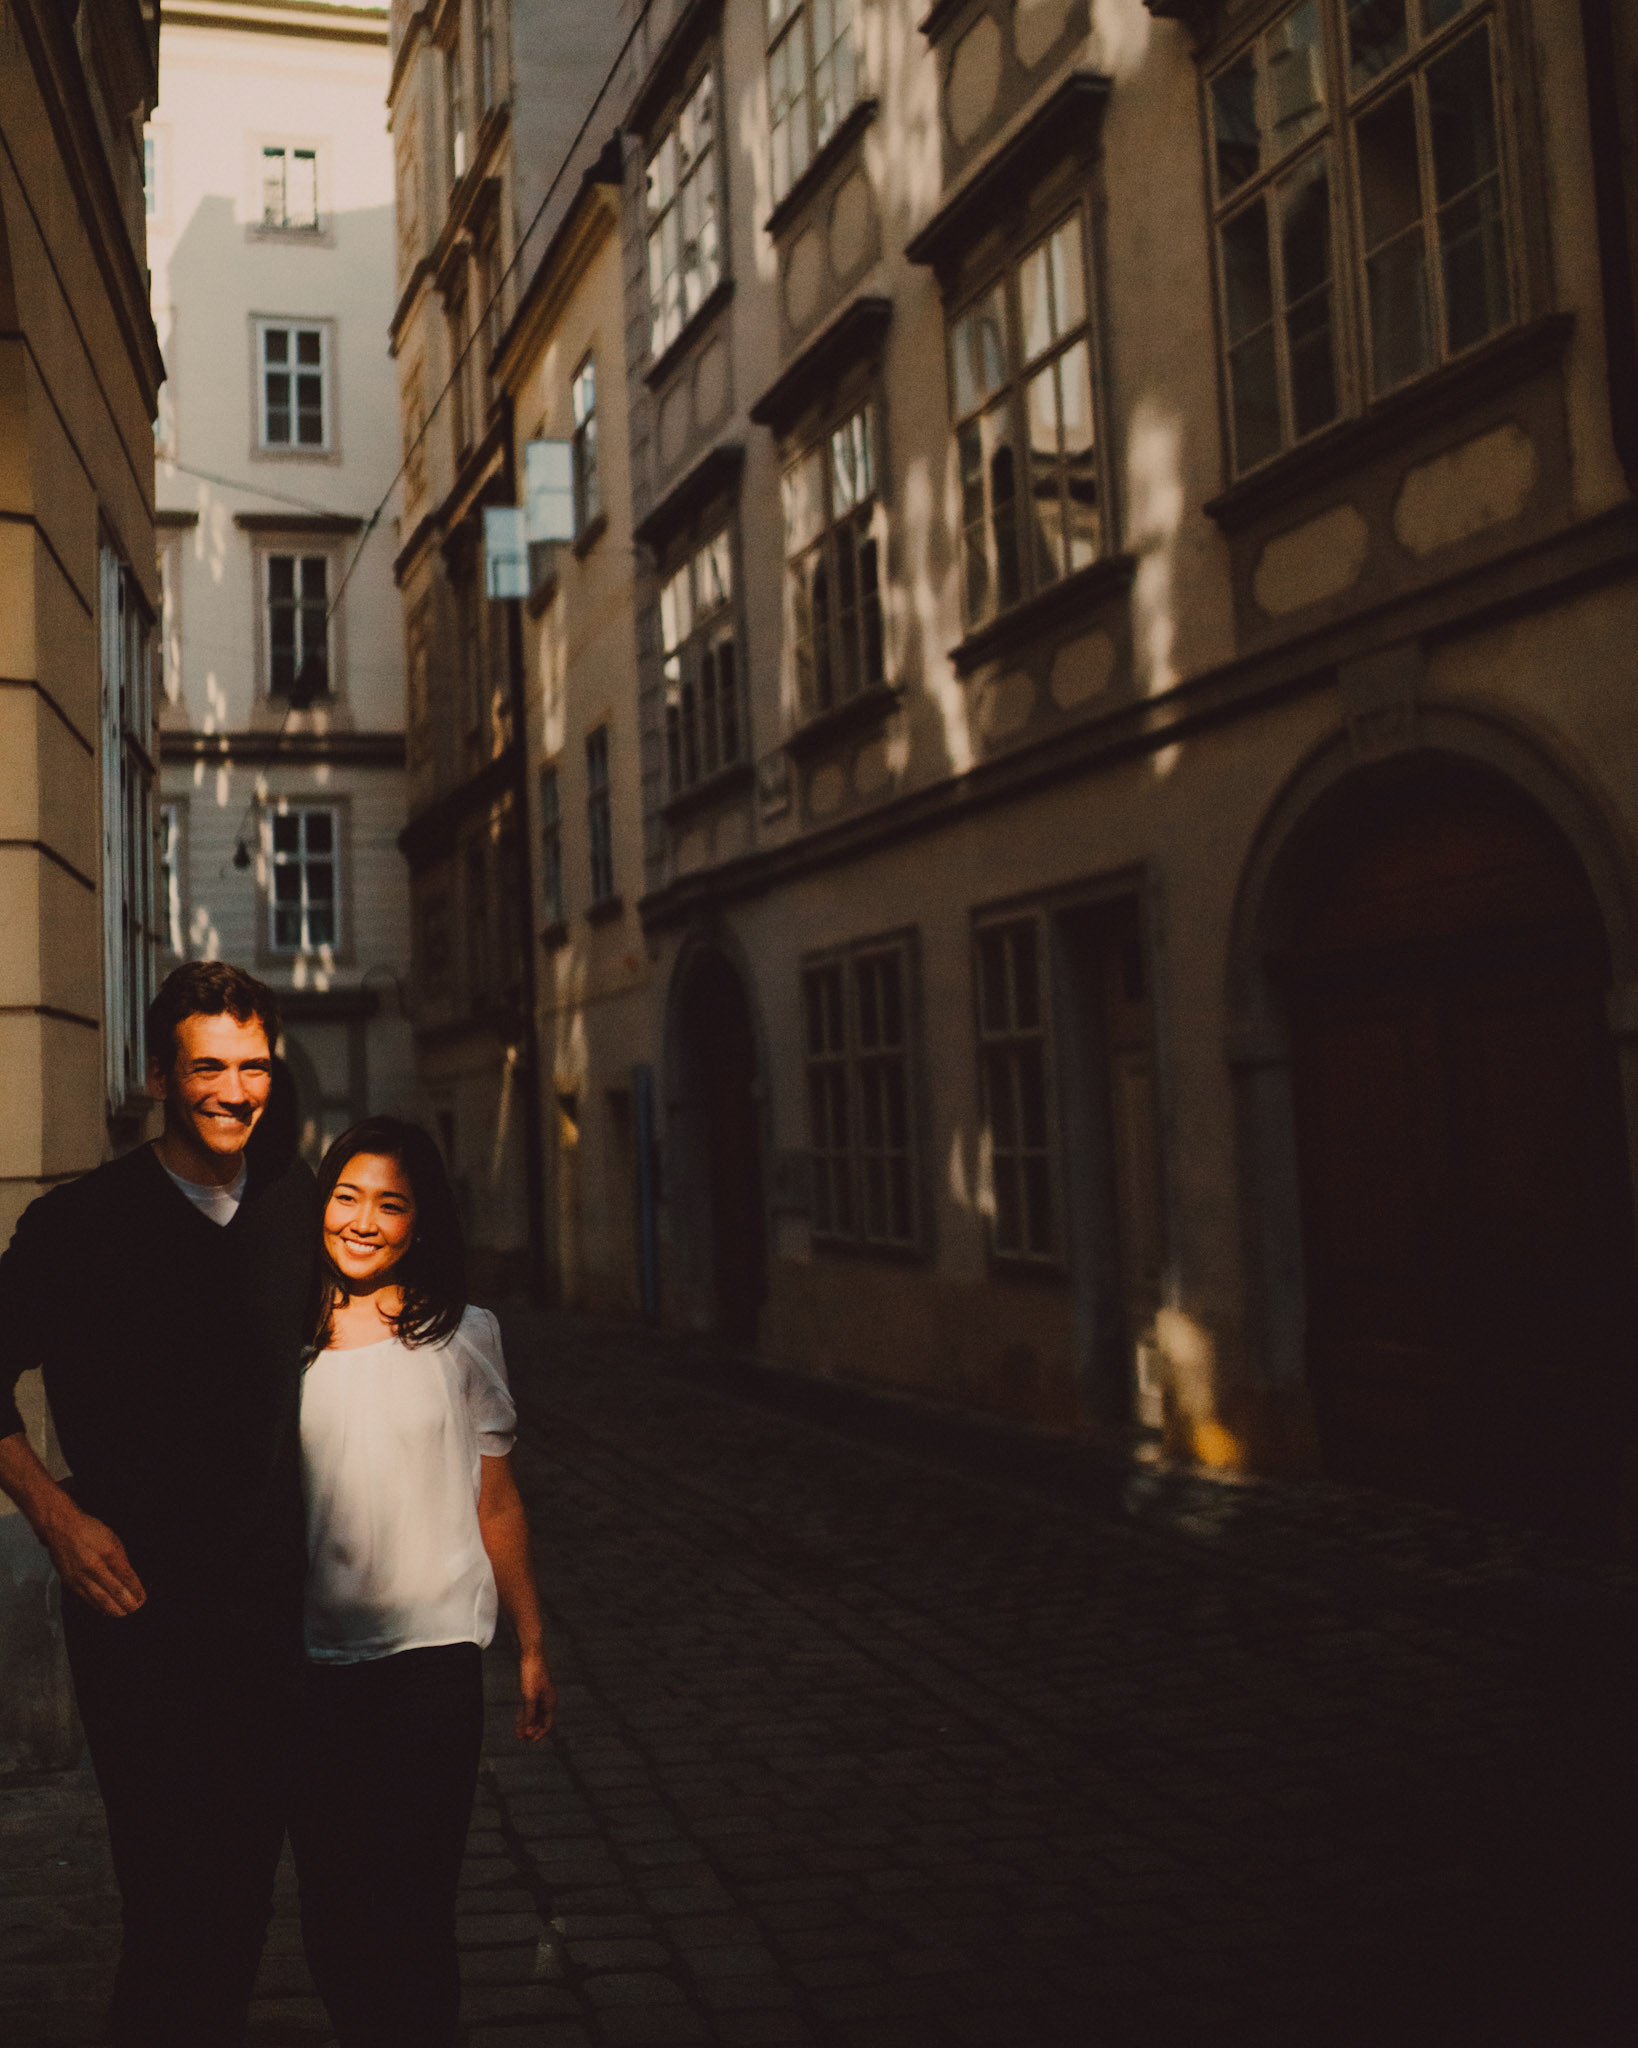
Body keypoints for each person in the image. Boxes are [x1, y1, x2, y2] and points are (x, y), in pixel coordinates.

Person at [0, 961, 316, 2047]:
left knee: (239, 1903)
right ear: (158, 1075)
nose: (235, 1089)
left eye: (253, 1065)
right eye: (209, 1067)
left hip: (273, 1619)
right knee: (170, 1905)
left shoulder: (302, 1214)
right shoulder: (78, 1225)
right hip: (135, 1614)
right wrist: (53, 1514)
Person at [292, 1115, 555, 2048]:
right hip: (309, 1668)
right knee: (331, 1914)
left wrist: (529, 1640)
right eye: (347, 1196)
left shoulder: (461, 1336)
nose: (363, 1221)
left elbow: (498, 1503)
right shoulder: (284, 1338)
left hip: (428, 1668)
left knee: (412, 1908)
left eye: (390, 1205)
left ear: (419, 1222)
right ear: (320, 1203)